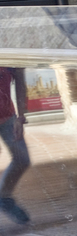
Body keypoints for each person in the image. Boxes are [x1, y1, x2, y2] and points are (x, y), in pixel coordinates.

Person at [0, 67, 30, 224]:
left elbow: (19, 81)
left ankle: (4, 198)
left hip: (7, 116)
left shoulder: (8, 43)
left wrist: (20, 117)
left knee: (22, 159)